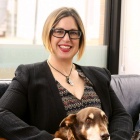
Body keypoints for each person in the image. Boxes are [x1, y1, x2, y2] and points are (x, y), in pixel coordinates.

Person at [0, 7, 133, 140]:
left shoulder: (99, 75)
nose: (67, 38)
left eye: (73, 33)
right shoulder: (29, 75)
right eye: (59, 31)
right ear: (48, 35)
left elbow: (121, 116)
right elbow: (2, 114)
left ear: (80, 39)